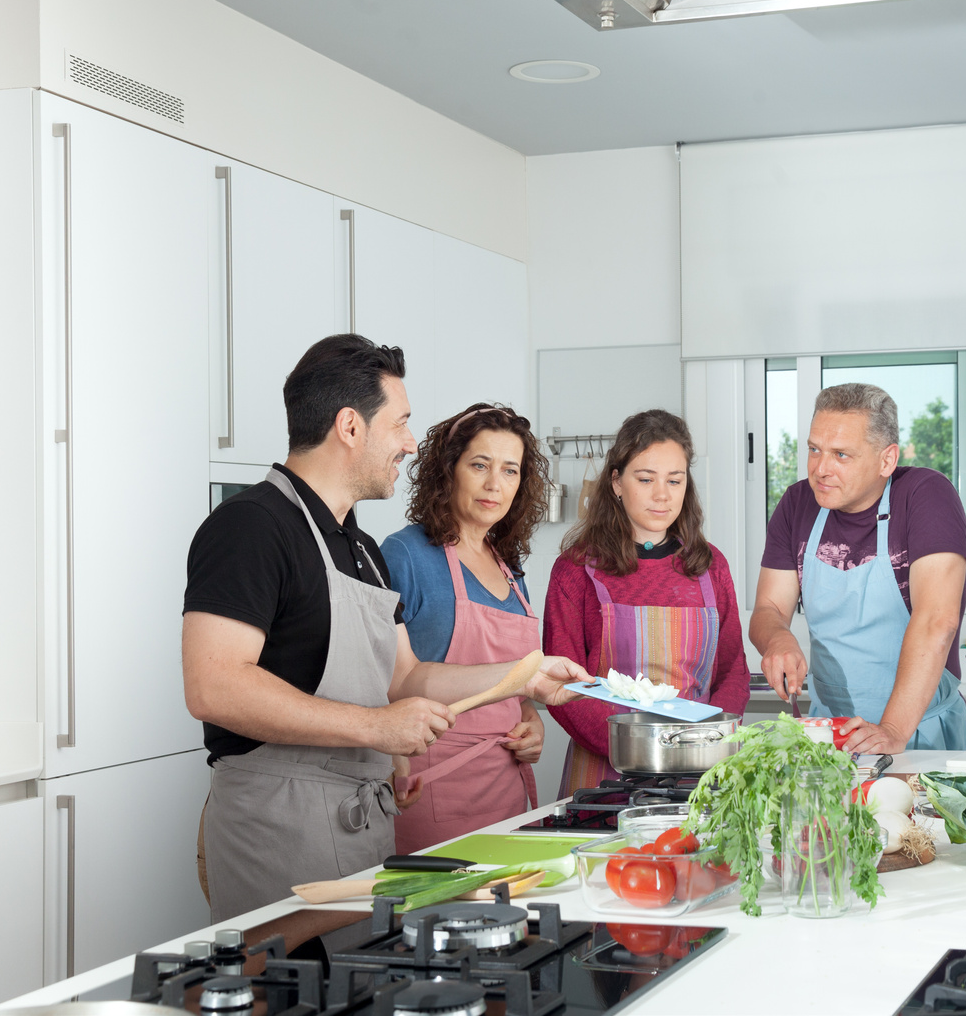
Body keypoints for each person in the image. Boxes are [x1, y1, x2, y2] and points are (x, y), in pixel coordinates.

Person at [182, 335, 591, 922]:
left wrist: (526, 676)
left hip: (363, 821)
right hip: (279, 823)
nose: (409, 442)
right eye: (399, 423)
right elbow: (213, 686)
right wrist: (377, 728)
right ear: (351, 426)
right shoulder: (250, 527)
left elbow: (408, 676)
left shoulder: (361, 549)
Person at [752, 383, 966, 754]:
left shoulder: (924, 495)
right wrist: (778, 639)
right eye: (814, 450)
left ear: (887, 460)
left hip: (915, 731)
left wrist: (893, 730)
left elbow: (938, 619)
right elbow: (768, 609)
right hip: (830, 732)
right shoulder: (797, 503)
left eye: (841, 455)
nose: (821, 469)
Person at [543, 410, 751, 794]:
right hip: (606, 777)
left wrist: (706, 742)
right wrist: (645, 751)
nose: (662, 495)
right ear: (617, 482)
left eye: (675, 480)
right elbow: (563, 687)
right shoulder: (574, 571)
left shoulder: (711, 567)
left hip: (699, 775)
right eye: (645, 479)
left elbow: (732, 671)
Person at [380, 404, 550, 852]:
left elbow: (513, 684)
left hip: (507, 791)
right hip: (433, 786)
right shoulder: (405, 555)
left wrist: (529, 720)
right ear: (448, 470)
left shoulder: (509, 566)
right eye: (480, 465)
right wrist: (395, 765)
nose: (496, 484)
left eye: (510, 470)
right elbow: (377, 682)